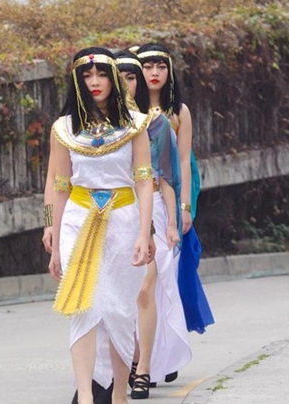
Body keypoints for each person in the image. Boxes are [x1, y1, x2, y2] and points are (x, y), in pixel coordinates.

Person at [48, 46, 153, 404]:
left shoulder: (136, 124)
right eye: (87, 75)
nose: (95, 81)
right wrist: (53, 237)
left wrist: (145, 232)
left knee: (119, 311)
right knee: (84, 308)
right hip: (77, 221)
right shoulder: (64, 129)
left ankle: (119, 395)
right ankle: (85, 396)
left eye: (102, 74)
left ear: (113, 78)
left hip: (123, 220)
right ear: (77, 81)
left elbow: (143, 181)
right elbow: (59, 187)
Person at [115, 49, 191, 400]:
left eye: (132, 77)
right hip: (112, 212)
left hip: (153, 211)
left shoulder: (157, 123)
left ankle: (143, 367)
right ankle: (121, 362)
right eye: (120, 77)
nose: (126, 84)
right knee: (119, 293)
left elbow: (167, 176)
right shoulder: (96, 127)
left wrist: (174, 220)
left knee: (146, 287)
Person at [136, 40, 214, 366]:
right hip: (134, 198)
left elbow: (183, 161)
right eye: (147, 67)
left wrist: (183, 207)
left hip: (171, 194)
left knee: (169, 275)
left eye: (161, 67)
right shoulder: (129, 111)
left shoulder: (179, 111)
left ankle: (166, 352)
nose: (154, 73)